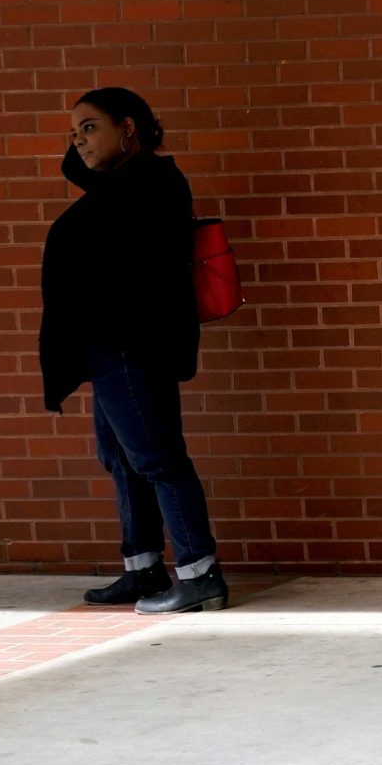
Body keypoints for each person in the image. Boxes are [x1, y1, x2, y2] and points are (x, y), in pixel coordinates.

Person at [37, 88, 229, 614]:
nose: (78, 142)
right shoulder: (119, 184)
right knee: (120, 458)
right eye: (73, 132)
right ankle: (142, 567)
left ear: (128, 128)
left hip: (133, 344)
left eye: (90, 128)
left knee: (157, 457)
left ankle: (199, 573)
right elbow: (79, 171)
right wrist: (92, 142)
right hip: (109, 345)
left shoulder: (152, 182)